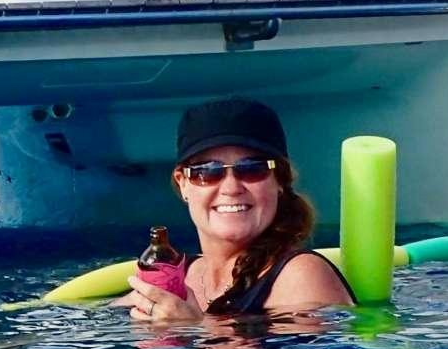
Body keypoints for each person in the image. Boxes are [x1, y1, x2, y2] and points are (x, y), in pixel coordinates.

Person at [124, 97, 355, 323]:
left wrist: (194, 328)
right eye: (208, 171)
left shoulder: (301, 276)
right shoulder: (181, 275)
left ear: (280, 182)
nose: (231, 188)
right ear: (183, 183)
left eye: (252, 169)